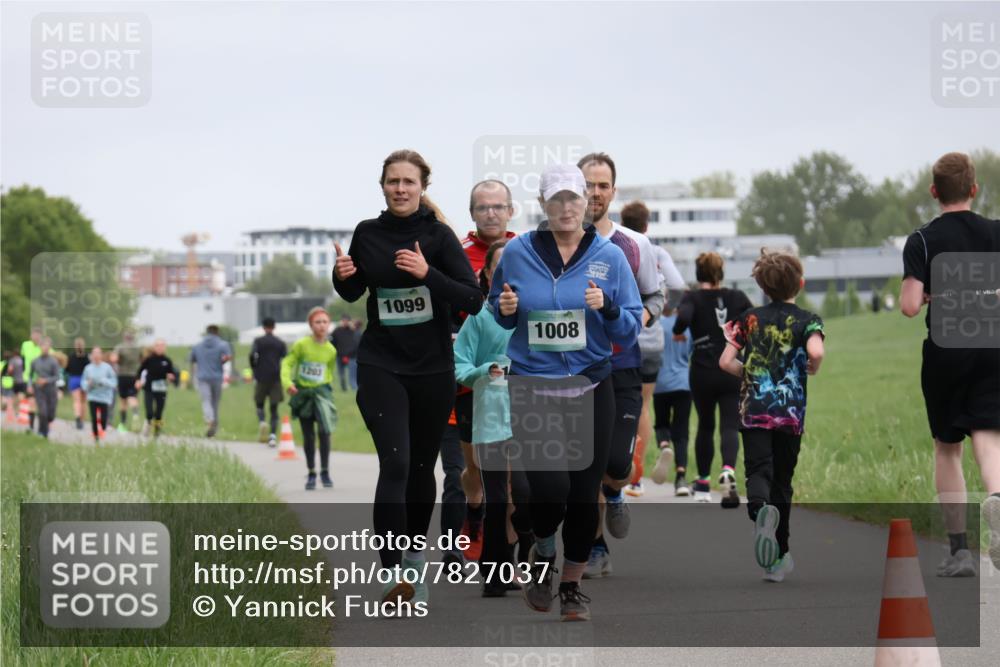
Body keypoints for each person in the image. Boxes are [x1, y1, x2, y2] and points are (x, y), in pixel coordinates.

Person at [488, 163, 641, 622]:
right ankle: (543, 549)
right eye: (557, 199)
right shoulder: (518, 252)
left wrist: (608, 307)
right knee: (550, 488)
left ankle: (571, 586)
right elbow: (496, 310)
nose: (567, 207)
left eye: (574, 198)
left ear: (586, 202)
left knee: (583, 494)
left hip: (591, 384)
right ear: (544, 204)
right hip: (532, 385)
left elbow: (631, 328)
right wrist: (505, 309)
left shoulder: (610, 256)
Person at [333, 149, 482, 607]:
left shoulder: (438, 236)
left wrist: (427, 273)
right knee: (395, 463)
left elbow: (472, 299)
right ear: (382, 186)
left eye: (408, 182)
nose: (400, 188)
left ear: (422, 187)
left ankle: (415, 561)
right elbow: (354, 291)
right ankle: (392, 572)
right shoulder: (367, 232)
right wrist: (342, 277)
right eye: (393, 181)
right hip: (381, 363)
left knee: (421, 468)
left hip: (433, 369)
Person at [899, 151, 1000, 576]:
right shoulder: (996, 232)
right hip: (992, 344)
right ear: (974, 189)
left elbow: (908, 306)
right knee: (989, 437)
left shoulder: (922, 240)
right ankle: (997, 501)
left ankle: (959, 551)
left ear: (934, 192)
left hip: (946, 349)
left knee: (947, 446)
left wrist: (928, 294)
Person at [577, 153, 665, 576]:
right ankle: (594, 545)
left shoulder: (633, 244)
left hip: (623, 364)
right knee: (585, 465)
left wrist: (639, 318)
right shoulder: (555, 242)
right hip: (574, 369)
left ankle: (615, 493)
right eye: (587, 185)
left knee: (614, 464)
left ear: (613, 191)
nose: (594, 193)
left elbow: (656, 294)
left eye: (602, 186)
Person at [720, 250, 825, 582]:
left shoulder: (749, 319)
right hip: (789, 414)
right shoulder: (808, 320)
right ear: (801, 283)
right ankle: (779, 557)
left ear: (763, 287)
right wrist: (814, 366)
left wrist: (750, 374)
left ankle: (758, 509)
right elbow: (816, 351)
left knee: (758, 470)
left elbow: (725, 361)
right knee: (783, 481)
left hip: (754, 410)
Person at [447, 179, 520, 566]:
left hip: (516, 388)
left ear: (511, 210)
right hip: (471, 385)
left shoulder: (527, 250)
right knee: (474, 470)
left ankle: (503, 554)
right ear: (472, 213)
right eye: (483, 207)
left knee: (508, 477)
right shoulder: (456, 254)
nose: (491, 214)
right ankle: (473, 512)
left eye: (498, 206)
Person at [454, 238, 529, 597]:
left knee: (525, 495)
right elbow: (459, 365)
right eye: (499, 268)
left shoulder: (535, 315)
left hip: (532, 415)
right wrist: (485, 370)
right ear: (486, 275)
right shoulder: (479, 318)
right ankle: (495, 571)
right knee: (497, 494)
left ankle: (525, 558)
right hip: (490, 415)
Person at [673, 252, 754, 507]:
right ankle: (728, 470)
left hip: (702, 371)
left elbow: (682, 319)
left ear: (699, 274)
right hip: (731, 368)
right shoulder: (737, 297)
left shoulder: (692, 297)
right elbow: (755, 321)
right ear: (721, 272)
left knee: (705, 426)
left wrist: (678, 331)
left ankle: (703, 484)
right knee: (730, 425)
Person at [619, 200, 687, 498]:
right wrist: (665, 310)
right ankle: (636, 476)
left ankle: (617, 469)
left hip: (620, 339)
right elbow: (679, 286)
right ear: (647, 225)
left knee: (617, 406)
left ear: (622, 222)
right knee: (644, 406)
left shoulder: (616, 248)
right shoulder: (657, 252)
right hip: (651, 340)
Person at [281, 307, 338, 490]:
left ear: (329, 324)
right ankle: (311, 473)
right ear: (311, 325)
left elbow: (329, 371)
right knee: (309, 435)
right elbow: (287, 363)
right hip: (304, 394)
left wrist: (326, 389)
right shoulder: (302, 345)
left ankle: (325, 472)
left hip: (322, 394)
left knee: (325, 431)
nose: (321, 325)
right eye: (317, 322)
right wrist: (288, 383)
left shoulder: (331, 350)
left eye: (325, 322)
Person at [651, 306, 693, 495]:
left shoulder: (658, 324)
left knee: (661, 423)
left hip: (660, 382)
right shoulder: (688, 328)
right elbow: (691, 352)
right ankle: (681, 478)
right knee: (681, 431)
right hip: (684, 382)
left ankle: (664, 446)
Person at [189, 324, 233, 438]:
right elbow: (228, 357)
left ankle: (210, 420)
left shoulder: (197, 346)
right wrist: (221, 362)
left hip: (202, 377)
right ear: (217, 332)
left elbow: (192, 360)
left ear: (207, 332)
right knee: (215, 403)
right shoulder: (223, 344)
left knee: (206, 400)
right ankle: (214, 426)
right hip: (217, 377)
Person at [251, 317, 287, 446]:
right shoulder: (280, 343)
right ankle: (272, 436)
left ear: (263, 327)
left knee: (259, 403)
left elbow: (252, 355)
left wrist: (255, 369)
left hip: (261, 377)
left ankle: (262, 421)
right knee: (274, 408)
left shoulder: (258, 341)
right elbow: (285, 357)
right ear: (274, 327)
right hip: (275, 377)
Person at [135, 339, 178, 438]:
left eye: (162, 346)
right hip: (149, 388)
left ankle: (157, 432)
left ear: (165, 348)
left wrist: (171, 377)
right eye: (158, 346)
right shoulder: (149, 359)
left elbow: (172, 374)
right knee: (150, 412)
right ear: (154, 347)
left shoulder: (167, 361)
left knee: (159, 412)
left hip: (161, 389)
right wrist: (138, 380)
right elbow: (140, 371)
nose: (160, 348)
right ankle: (147, 427)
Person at [82, 347, 117, 445]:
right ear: (92, 355)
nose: (96, 355)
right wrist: (88, 384)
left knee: (103, 419)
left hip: (104, 397)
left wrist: (104, 381)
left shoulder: (107, 368)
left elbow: (114, 381)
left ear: (101, 355)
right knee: (93, 417)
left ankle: (103, 430)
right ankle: (96, 437)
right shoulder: (88, 368)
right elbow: (83, 382)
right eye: (94, 353)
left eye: (98, 353)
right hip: (92, 396)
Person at [29, 337, 61, 439]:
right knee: (43, 412)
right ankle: (44, 433)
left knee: (50, 415)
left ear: (50, 347)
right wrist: (30, 385)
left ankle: (42, 430)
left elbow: (57, 377)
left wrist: (46, 380)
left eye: (47, 346)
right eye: (43, 345)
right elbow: (30, 376)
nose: (45, 348)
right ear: (40, 347)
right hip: (39, 390)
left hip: (51, 390)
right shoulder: (35, 361)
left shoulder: (54, 361)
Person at [113, 330, 142, 433]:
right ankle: (135, 415)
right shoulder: (138, 348)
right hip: (134, 376)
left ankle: (123, 424)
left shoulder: (120, 347)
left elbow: (114, 359)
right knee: (133, 397)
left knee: (123, 401)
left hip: (122, 375)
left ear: (124, 337)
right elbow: (142, 361)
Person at [330, 315, 359, 392]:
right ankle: (344, 388)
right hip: (340, 356)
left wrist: (354, 329)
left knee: (352, 376)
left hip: (352, 356)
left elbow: (357, 342)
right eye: (343, 321)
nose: (345, 322)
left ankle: (355, 389)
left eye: (346, 321)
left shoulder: (354, 331)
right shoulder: (337, 331)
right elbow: (332, 341)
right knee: (341, 375)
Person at [65, 338, 89, 430]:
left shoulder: (71, 357)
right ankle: (82, 420)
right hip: (84, 379)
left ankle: (78, 418)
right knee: (83, 401)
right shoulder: (86, 357)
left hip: (74, 379)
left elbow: (67, 369)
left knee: (76, 401)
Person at [20, 327, 42, 430]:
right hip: (28, 378)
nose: (36, 337)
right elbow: (22, 359)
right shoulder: (25, 345)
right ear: (31, 336)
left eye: (38, 335)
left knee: (39, 403)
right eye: (34, 335)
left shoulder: (43, 347)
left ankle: (43, 424)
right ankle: (31, 426)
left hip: (41, 380)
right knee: (32, 401)